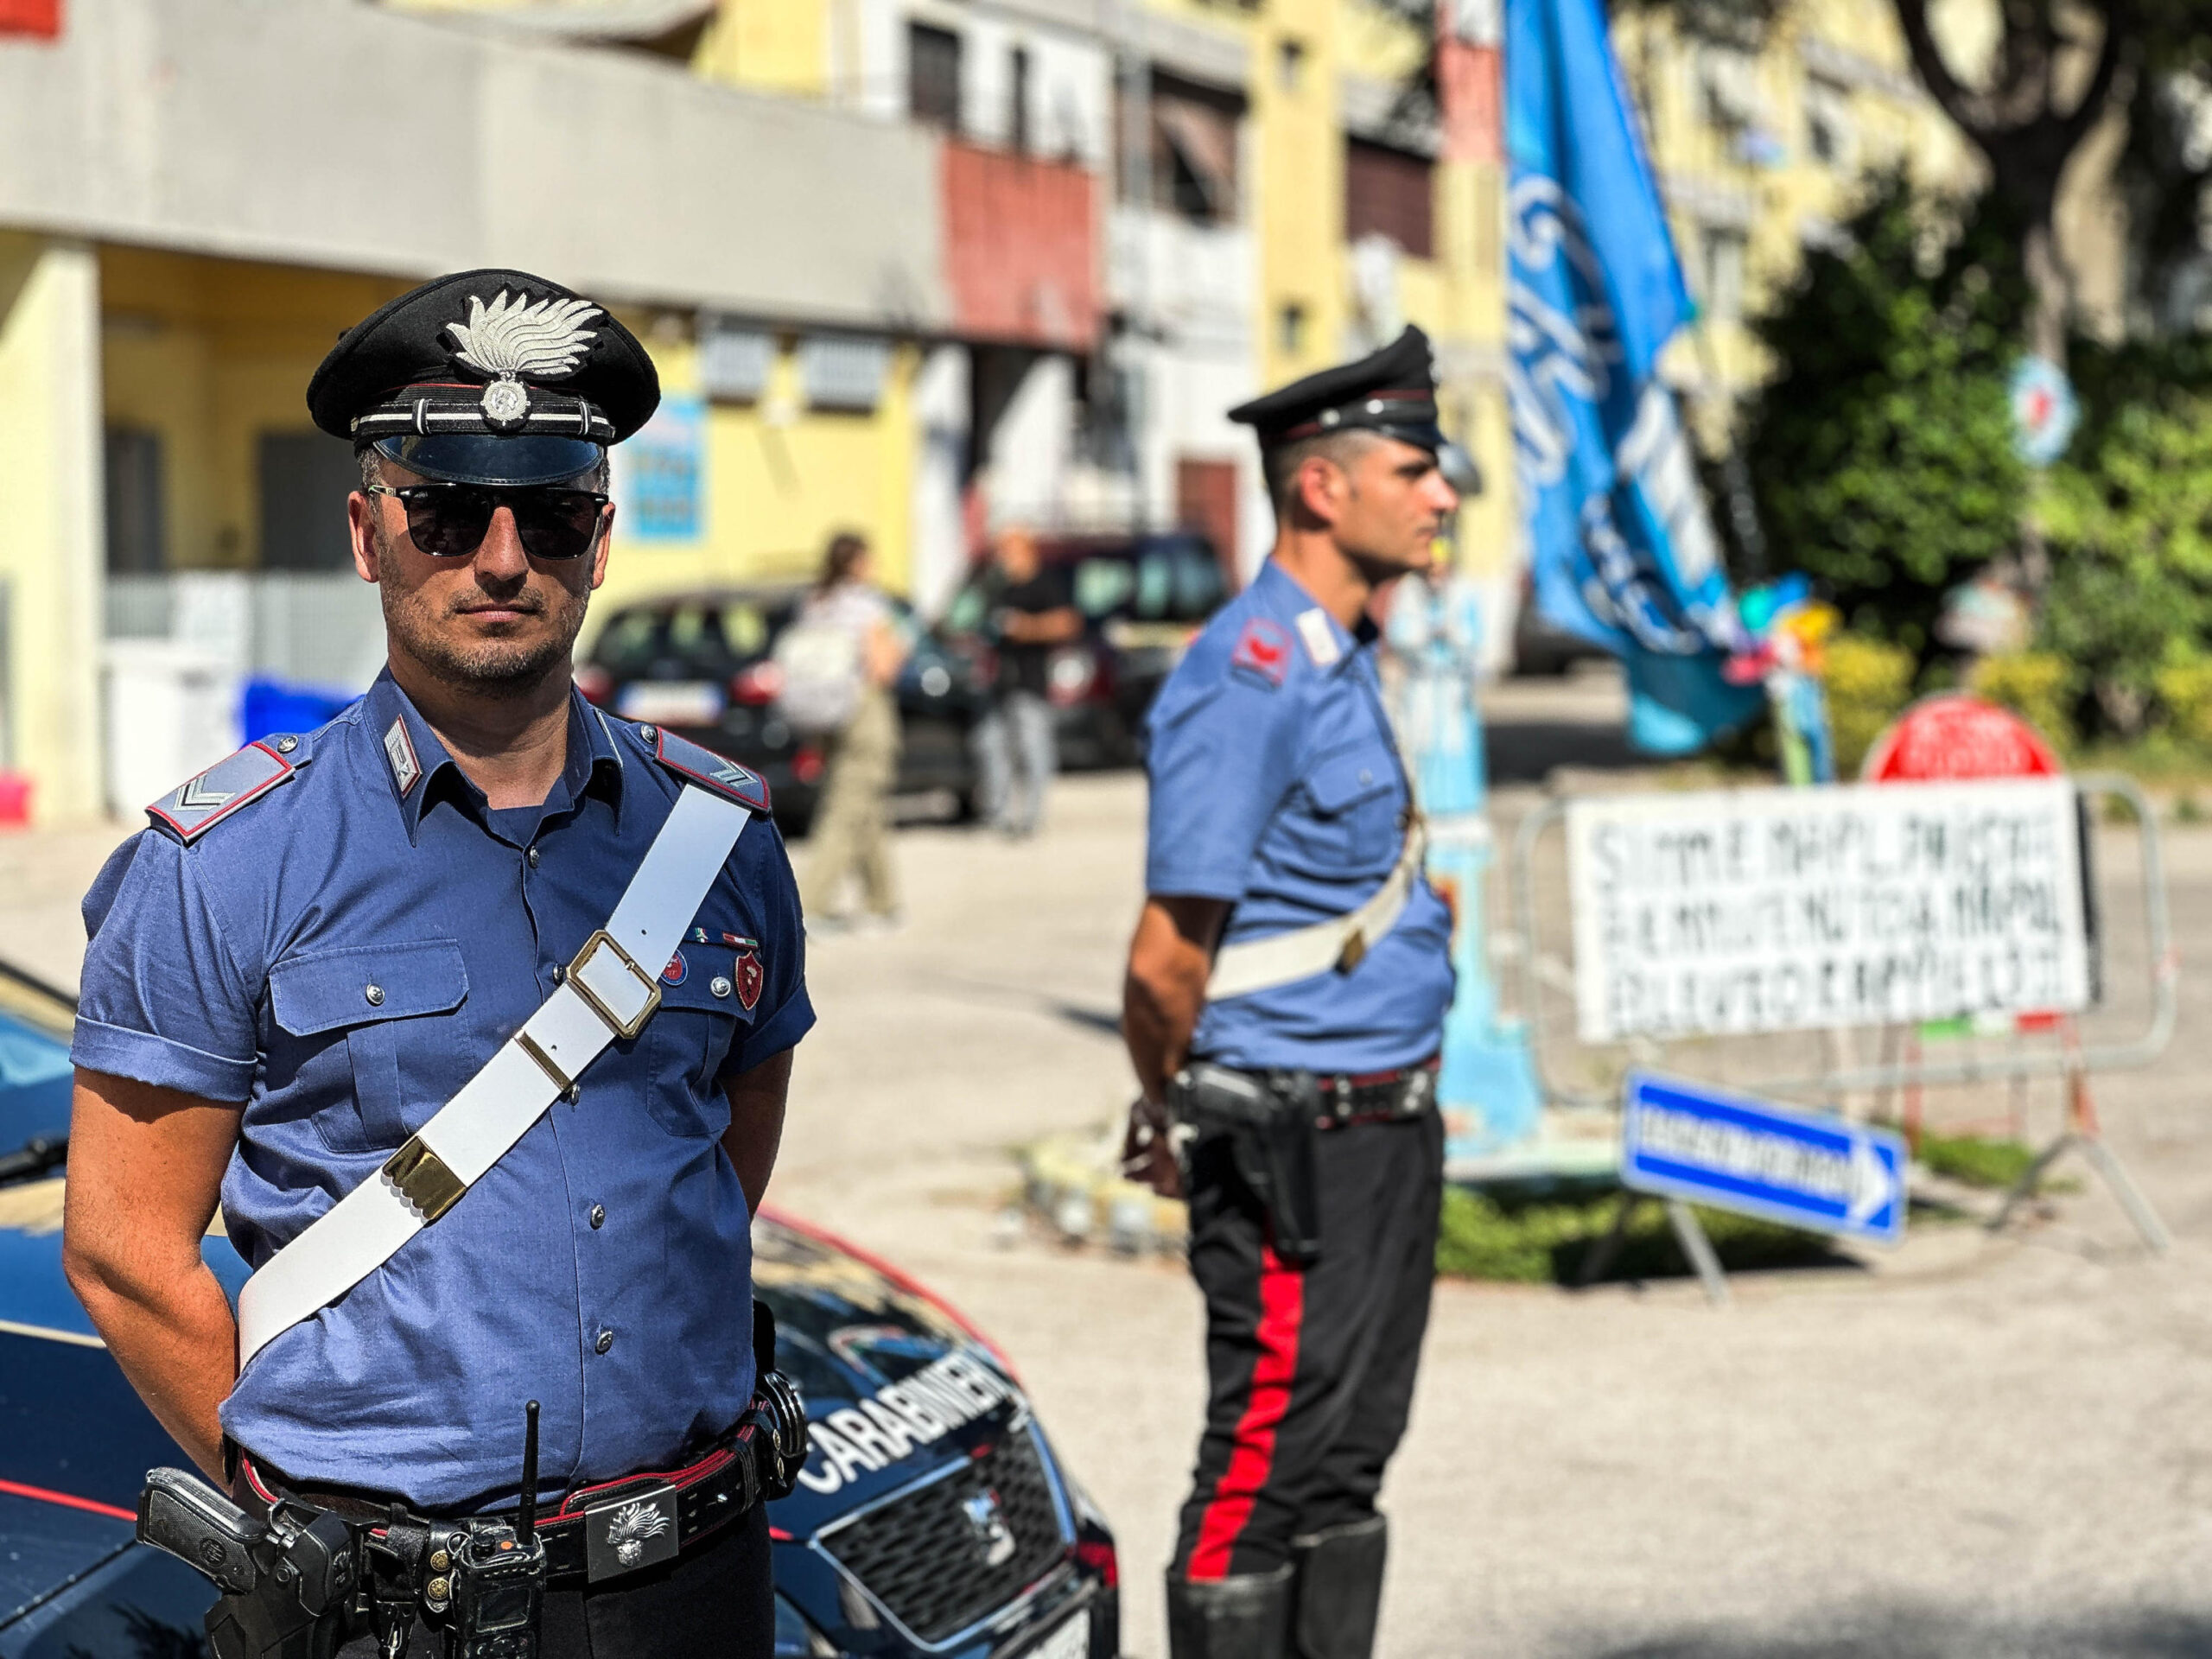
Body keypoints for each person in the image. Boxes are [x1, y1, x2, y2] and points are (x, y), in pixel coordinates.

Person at [62, 270, 811, 1659]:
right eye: (450, 513)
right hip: (395, 1608)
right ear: (368, 531)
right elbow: (120, 1246)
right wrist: (296, 1504)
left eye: (556, 515)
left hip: (696, 1581)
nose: (504, 558)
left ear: (601, 543)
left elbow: (721, 1157)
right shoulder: (222, 861)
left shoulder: (720, 840)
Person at [1121, 327, 1460, 1659]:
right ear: (1323, 488)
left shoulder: (1336, 652)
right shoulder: (1246, 672)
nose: (1442, 493)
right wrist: (1172, 1102)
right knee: (1257, 1476)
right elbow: (1165, 957)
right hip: (1290, 1137)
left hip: (1383, 1126)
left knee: (1347, 1457)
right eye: (1416, 466)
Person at [788, 530, 909, 930]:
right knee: (845, 812)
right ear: (859, 563)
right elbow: (882, 668)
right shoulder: (867, 605)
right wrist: (902, 646)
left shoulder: (815, 603)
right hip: (863, 711)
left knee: (864, 806)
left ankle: (883, 902)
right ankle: (810, 906)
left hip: (823, 714)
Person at [970, 526, 1079, 836]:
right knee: (990, 745)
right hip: (998, 680)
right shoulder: (998, 587)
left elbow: (1067, 623)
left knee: (1033, 749)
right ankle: (997, 815)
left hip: (1030, 681)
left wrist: (1025, 627)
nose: (1001, 559)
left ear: (1025, 551)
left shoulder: (1045, 584)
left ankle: (1032, 817)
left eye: (1007, 551)